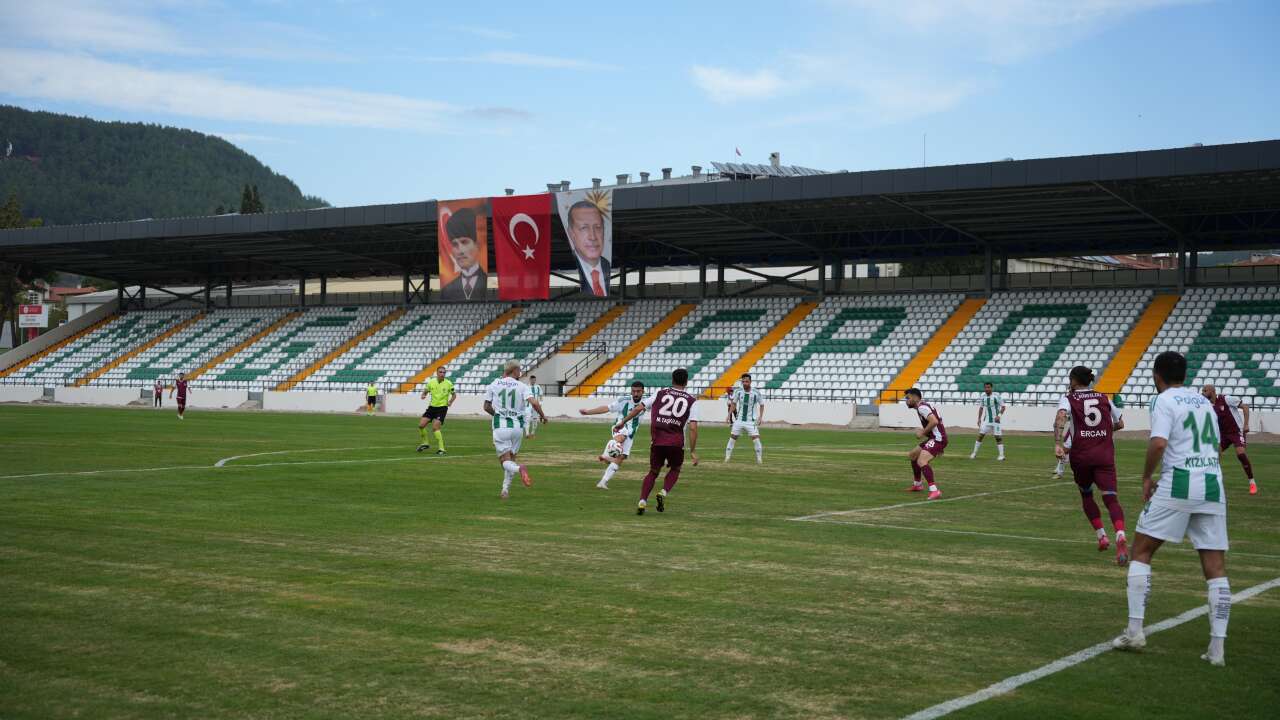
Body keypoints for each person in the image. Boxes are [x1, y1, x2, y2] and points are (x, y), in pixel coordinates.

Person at [1113, 351, 1231, 667]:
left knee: (1141, 550)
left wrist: (1147, 476)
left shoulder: (1165, 401)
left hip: (1179, 481)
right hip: (1212, 484)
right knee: (1215, 567)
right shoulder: (1204, 402)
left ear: (1157, 375)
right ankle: (1217, 650)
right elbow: (1217, 449)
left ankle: (1135, 630)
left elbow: (1160, 443)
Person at [1054, 366, 1128, 564]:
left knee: (1086, 494)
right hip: (1104, 456)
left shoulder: (1069, 398)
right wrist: (1103, 432)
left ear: (1074, 381)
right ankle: (1120, 533)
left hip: (1082, 457)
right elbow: (1120, 424)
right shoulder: (1104, 397)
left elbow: (1061, 416)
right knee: (1111, 499)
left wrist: (1058, 443)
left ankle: (1102, 536)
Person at [615, 368, 699, 515]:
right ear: (686, 382)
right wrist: (692, 451)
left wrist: (623, 421)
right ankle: (664, 492)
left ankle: (642, 501)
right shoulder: (691, 400)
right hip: (676, 443)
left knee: (653, 472)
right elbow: (692, 427)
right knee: (675, 469)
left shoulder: (660, 393)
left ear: (672, 380)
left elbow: (638, 408)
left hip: (657, 441)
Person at [484, 360, 548, 499]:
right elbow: (534, 402)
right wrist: (543, 416)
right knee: (512, 458)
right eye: (519, 370)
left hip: (501, 426)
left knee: (504, 462)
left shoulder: (494, 384)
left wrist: (499, 415)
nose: (521, 373)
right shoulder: (522, 386)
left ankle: (520, 469)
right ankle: (505, 490)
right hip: (517, 427)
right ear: (514, 370)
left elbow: (486, 407)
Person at [579, 381, 650, 490]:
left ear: (643, 391)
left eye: (638, 391)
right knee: (622, 437)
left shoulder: (647, 402)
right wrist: (588, 412)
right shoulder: (624, 400)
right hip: (620, 427)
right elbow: (607, 408)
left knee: (621, 457)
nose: (635, 394)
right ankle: (605, 454)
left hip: (631, 433)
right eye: (633, 391)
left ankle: (603, 482)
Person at [1201, 385, 1257, 495]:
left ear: (1212, 391)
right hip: (1223, 435)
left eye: (1205, 390)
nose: (1202, 392)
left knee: (1240, 454)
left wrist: (1246, 424)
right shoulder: (1208, 405)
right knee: (1213, 455)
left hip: (1236, 431)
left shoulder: (1226, 399)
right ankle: (1211, 483)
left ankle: (1252, 482)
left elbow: (1245, 406)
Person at [439, 208, 487, 301]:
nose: (460, 251)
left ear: (476, 244)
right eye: (455, 244)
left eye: (464, 242)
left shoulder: (488, 282)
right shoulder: (446, 290)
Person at [904, 388, 943, 500]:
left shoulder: (922, 407)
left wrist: (922, 432)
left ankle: (934, 491)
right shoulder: (924, 406)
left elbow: (934, 421)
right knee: (913, 455)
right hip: (935, 438)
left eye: (908, 398)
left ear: (916, 397)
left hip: (937, 439)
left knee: (922, 461)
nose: (906, 401)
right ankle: (918, 484)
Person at [566, 200, 610, 296]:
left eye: (598, 227)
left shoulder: (607, 264)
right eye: (584, 228)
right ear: (571, 233)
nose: (593, 237)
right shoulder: (570, 265)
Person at [724, 373, 765, 464]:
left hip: (751, 421)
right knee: (732, 438)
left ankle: (759, 459)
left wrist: (760, 417)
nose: (745, 383)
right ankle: (727, 458)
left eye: (746, 381)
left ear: (750, 382)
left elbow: (762, 405)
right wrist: (728, 415)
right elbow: (734, 404)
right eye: (743, 382)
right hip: (739, 420)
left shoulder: (756, 392)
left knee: (756, 439)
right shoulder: (738, 391)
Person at [418, 367, 455, 454]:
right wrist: (423, 395)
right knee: (421, 425)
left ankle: (441, 449)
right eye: (441, 372)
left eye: (444, 372)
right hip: (432, 407)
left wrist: (450, 402)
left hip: (442, 408)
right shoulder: (431, 382)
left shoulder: (448, 383)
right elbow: (425, 391)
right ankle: (425, 443)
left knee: (435, 428)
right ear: (437, 373)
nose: (442, 374)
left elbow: (454, 395)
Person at [971, 382, 1006, 461]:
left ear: (991, 388)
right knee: (980, 436)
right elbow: (981, 408)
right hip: (986, 420)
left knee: (998, 437)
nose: (987, 389)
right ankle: (974, 453)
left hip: (996, 421)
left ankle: (1001, 455)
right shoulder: (983, 397)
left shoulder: (996, 396)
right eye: (986, 387)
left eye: (989, 387)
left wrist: (999, 416)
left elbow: (1003, 407)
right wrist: (979, 419)